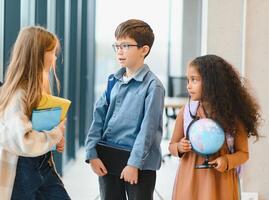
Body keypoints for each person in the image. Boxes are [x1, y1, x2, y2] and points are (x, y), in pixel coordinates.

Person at [0, 26, 70, 200]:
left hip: (41, 165)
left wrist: (55, 141)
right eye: (52, 52)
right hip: (20, 172)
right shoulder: (17, 95)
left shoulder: (35, 90)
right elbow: (24, 142)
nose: (55, 57)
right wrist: (56, 133)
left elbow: (34, 131)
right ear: (38, 54)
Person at [85, 19, 165, 200]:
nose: (120, 51)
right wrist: (92, 153)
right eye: (117, 46)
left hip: (139, 166)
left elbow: (148, 130)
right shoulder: (113, 80)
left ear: (144, 50)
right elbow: (98, 118)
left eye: (126, 46)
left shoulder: (153, 87)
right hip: (108, 159)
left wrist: (134, 164)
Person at [169, 54, 261, 200]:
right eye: (188, 80)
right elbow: (172, 146)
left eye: (194, 80)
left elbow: (243, 153)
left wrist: (226, 161)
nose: (188, 85)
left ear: (212, 83)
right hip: (189, 180)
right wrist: (179, 147)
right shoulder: (185, 112)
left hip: (221, 183)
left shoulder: (233, 115)